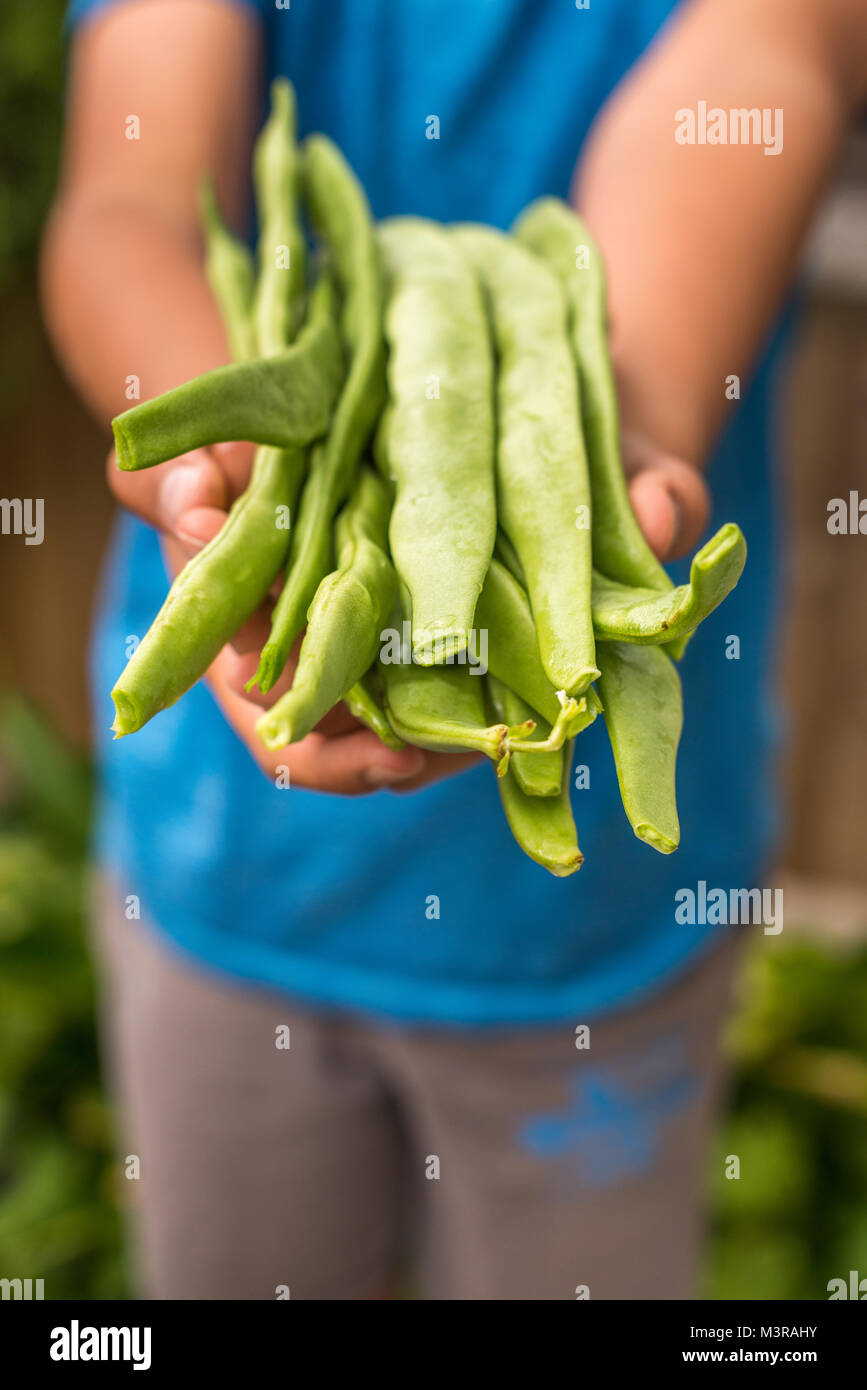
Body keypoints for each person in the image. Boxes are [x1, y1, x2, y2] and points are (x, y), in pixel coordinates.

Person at [43, 0, 867, 1300]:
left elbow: (766, 66)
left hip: (589, 935)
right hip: (223, 871)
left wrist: (627, 415)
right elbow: (129, 201)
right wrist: (237, 484)